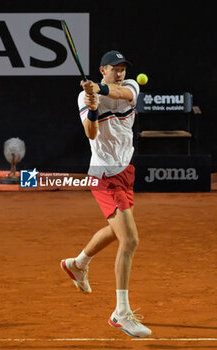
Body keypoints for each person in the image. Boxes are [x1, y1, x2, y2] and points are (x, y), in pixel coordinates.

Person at [61, 50, 151, 338]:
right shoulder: (84, 98)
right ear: (103, 69)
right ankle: (121, 313)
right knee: (131, 239)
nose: (121, 72)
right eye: (115, 68)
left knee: (116, 233)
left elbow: (121, 93)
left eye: (124, 68)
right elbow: (90, 133)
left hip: (125, 171)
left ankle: (78, 264)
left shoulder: (130, 88)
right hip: (104, 177)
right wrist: (93, 106)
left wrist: (99, 90)